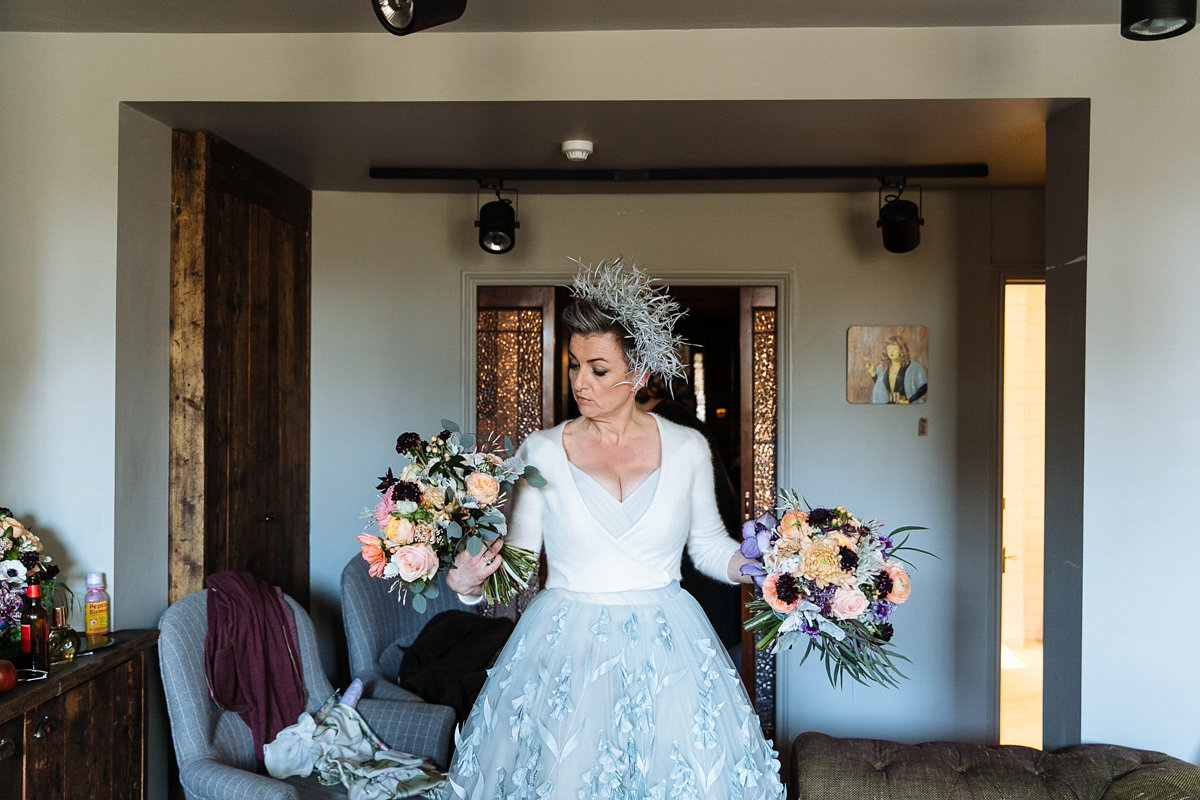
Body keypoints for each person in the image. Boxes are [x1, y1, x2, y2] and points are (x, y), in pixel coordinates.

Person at [444, 259, 784, 799]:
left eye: (598, 369)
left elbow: (709, 548)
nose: (580, 382)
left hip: (669, 642)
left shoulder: (688, 448)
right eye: (575, 365)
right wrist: (468, 586)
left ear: (639, 372)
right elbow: (518, 568)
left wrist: (770, 570)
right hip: (564, 645)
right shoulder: (543, 453)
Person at [865, 333, 927, 404]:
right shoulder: (882, 368)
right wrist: (872, 372)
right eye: (889, 348)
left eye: (894, 348)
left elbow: (924, 387)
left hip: (906, 408)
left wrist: (909, 401)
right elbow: (880, 387)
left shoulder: (913, 367)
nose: (891, 351)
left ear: (901, 350)